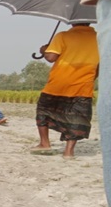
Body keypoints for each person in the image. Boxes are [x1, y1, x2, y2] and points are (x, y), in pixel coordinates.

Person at [32, 23, 99, 158]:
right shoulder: (100, 38)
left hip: (59, 82)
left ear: (73, 21)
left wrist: (45, 50)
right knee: (77, 116)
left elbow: (51, 57)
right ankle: (69, 152)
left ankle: (45, 143)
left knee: (44, 110)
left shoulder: (63, 35)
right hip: (83, 84)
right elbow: (101, 64)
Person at [82, 0, 111, 207]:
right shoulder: (89, 35)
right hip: (81, 86)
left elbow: (52, 57)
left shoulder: (66, 38)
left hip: (64, 85)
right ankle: (69, 149)